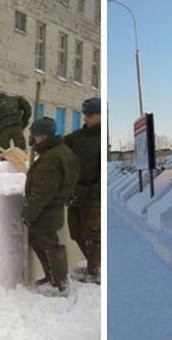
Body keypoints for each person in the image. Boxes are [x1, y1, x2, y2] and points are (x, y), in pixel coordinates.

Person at [22, 117, 80, 296]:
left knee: (49, 243)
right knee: (43, 240)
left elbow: (42, 191)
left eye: (36, 136)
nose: (34, 139)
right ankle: (53, 277)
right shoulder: (63, 151)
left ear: (43, 136)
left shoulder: (50, 158)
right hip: (55, 206)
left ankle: (59, 284)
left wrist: (29, 213)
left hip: (47, 209)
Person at [64, 97, 101, 284]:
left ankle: (96, 270)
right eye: (85, 114)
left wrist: (95, 194)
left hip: (94, 194)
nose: (86, 118)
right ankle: (94, 264)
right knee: (76, 232)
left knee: (93, 234)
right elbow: (59, 145)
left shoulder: (101, 139)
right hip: (76, 192)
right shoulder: (77, 137)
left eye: (91, 115)